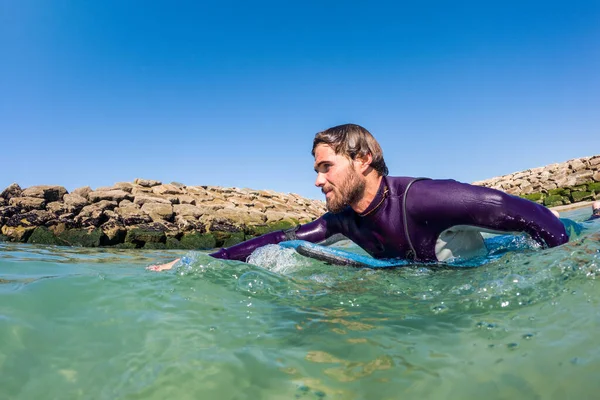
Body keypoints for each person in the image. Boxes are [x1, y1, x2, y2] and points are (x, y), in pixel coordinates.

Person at [148, 124, 568, 271]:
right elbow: (279, 239)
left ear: (363, 159)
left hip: (487, 272)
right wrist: (201, 260)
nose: (316, 181)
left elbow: (531, 215)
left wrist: (573, 257)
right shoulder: (341, 221)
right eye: (315, 170)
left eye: (325, 167)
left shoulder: (425, 199)